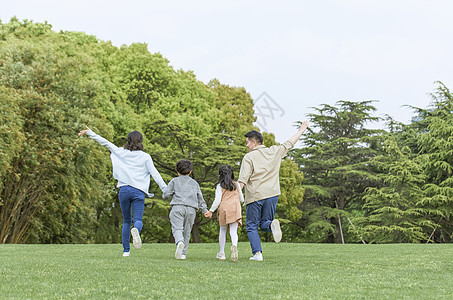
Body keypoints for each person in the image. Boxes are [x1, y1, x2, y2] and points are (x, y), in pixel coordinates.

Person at [78, 126, 167, 257]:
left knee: (126, 221)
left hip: (124, 190)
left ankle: (126, 251)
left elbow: (106, 143)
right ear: (141, 141)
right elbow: (156, 175)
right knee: (137, 219)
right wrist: (166, 190)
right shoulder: (146, 157)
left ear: (128, 140)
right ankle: (136, 229)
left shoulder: (121, 152)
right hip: (138, 191)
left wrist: (90, 133)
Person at [238, 121, 308, 261]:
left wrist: (234, 197)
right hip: (272, 194)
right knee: (265, 224)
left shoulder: (249, 157)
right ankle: (271, 225)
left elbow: (242, 181)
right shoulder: (274, 151)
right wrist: (301, 131)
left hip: (255, 196)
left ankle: (257, 254)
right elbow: (289, 143)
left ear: (253, 142)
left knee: (252, 226)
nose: (246, 146)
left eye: (247, 143)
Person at [163, 159, 208, 260]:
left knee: (177, 228)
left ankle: (179, 242)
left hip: (178, 207)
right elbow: (200, 198)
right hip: (191, 209)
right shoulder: (194, 183)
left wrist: (168, 192)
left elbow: (166, 195)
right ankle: (183, 254)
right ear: (190, 171)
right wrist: (204, 210)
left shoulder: (174, 181)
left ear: (177, 171)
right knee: (187, 231)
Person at [204, 165, 244, 262]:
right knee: (233, 231)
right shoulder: (237, 184)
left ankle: (222, 253)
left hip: (224, 209)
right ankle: (234, 246)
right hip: (235, 208)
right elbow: (242, 199)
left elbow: (217, 200)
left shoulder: (219, 186)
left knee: (223, 230)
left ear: (220, 174)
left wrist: (211, 210)